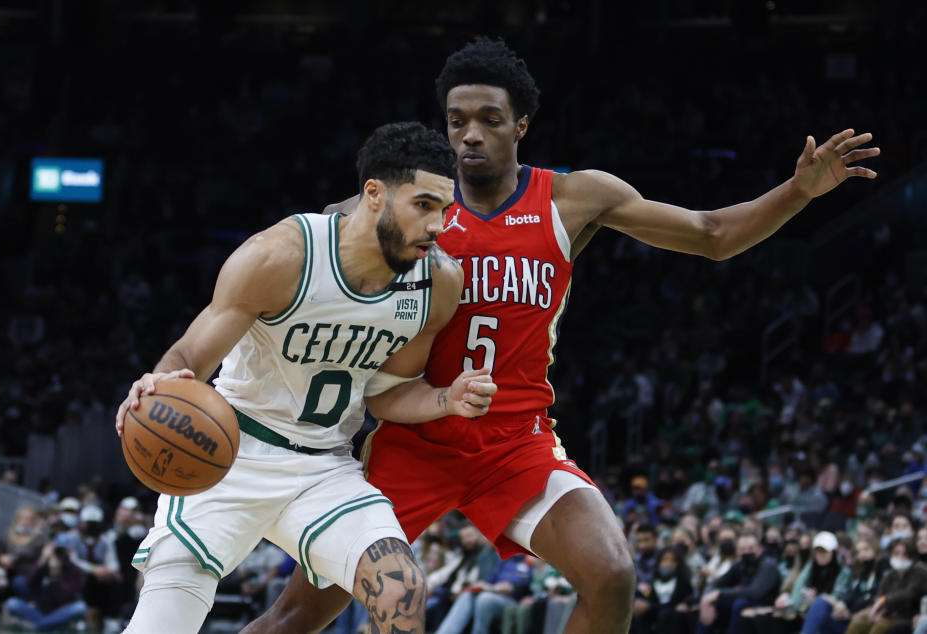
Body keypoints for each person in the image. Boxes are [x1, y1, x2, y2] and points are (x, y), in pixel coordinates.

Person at [243, 36, 879, 634]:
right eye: (456, 118)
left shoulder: (573, 200)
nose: (469, 133)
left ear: (520, 125)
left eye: (490, 118)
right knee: (292, 620)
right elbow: (314, 240)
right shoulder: (409, 204)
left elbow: (711, 235)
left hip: (514, 444)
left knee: (611, 576)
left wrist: (800, 191)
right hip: (413, 441)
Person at [113, 121, 497, 634]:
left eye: (445, 210)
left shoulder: (438, 283)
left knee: (401, 588)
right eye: (424, 205)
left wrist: (446, 399)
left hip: (324, 468)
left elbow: (386, 395)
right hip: (231, 453)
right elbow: (189, 353)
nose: (438, 225)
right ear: (375, 194)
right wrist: (157, 382)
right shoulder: (281, 256)